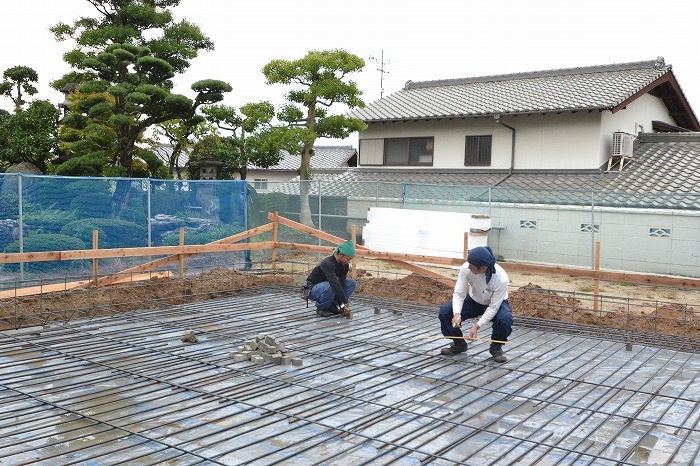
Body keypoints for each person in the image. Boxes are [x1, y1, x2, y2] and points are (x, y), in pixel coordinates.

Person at [438, 246, 513, 362]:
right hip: (474, 300)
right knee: (445, 312)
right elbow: (459, 293)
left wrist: (477, 325)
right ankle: (459, 344)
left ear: (483, 267)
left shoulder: (501, 278)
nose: (468, 267)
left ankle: (496, 348)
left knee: (505, 319)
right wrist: (457, 313)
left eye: (472, 266)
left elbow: (493, 307)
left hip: (495, 303)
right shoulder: (466, 268)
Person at [302, 240, 357, 317]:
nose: (349, 261)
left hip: (327, 287)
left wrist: (341, 305)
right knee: (331, 285)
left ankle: (333, 306)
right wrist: (345, 302)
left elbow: (342, 284)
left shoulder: (345, 265)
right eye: (348, 259)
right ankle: (321, 308)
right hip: (312, 289)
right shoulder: (328, 263)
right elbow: (334, 283)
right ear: (340, 254)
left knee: (352, 283)